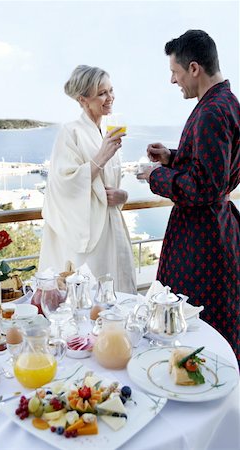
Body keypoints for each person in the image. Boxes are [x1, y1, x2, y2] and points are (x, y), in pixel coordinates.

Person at [138, 30, 240, 363]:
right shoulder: (227, 103)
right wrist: (172, 156)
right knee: (218, 318)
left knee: (194, 325)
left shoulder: (211, 112)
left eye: (175, 72)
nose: (173, 80)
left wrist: (157, 176)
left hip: (201, 243)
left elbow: (205, 188)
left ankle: (198, 393)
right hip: (218, 230)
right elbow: (215, 167)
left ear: (194, 68)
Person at [40, 65, 137, 294]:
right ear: (83, 100)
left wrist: (123, 196)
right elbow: (63, 183)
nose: (110, 97)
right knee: (91, 296)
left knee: (118, 294)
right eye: (102, 93)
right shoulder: (70, 132)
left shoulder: (106, 130)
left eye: (111, 90)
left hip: (111, 228)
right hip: (88, 233)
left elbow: (109, 184)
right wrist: (102, 156)